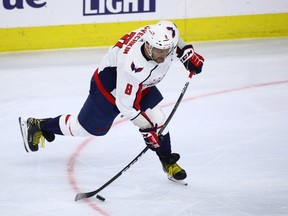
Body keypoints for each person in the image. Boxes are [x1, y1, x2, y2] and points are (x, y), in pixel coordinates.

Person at [19, 20, 204, 182]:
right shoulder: (132, 66)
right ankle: (39, 125)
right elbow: (127, 107)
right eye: (158, 51)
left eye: (167, 50)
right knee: (82, 128)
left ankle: (168, 162)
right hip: (110, 87)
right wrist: (147, 130)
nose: (162, 56)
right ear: (148, 45)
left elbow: (175, 36)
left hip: (142, 85)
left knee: (159, 118)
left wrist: (186, 51)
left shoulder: (163, 32)